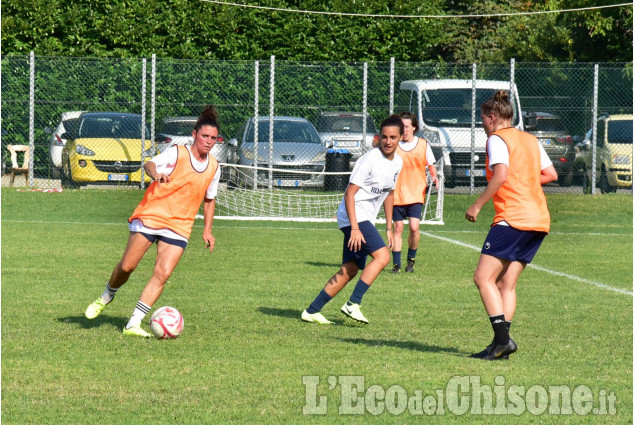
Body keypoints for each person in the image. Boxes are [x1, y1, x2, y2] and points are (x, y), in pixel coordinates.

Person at [84, 105, 222, 337]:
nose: (208, 141)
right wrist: (155, 174)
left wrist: (207, 230)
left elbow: (209, 199)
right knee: (128, 266)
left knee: (163, 273)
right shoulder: (177, 152)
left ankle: (133, 323)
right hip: (152, 215)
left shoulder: (214, 167)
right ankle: (107, 295)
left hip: (179, 225)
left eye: (213, 138)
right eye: (205, 136)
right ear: (195, 135)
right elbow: (150, 164)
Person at [465, 91, 557, 360]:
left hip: (513, 217)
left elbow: (502, 175)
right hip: (539, 219)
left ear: (492, 118)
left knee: (483, 278)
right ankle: (499, 346)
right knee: (507, 283)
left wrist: (477, 205)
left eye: (482, 119)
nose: (481, 124)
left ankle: (503, 341)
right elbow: (550, 174)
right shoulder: (530, 139)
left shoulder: (497, 138)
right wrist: (524, 180)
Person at [301, 115, 404, 325]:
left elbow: (389, 195)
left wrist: (389, 228)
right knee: (383, 257)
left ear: (401, 137)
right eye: (384, 137)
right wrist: (355, 228)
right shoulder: (369, 160)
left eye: (393, 137)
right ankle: (353, 303)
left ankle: (312, 310)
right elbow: (350, 194)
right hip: (353, 216)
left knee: (350, 269)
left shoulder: (398, 163)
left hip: (365, 219)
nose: (388, 141)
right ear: (379, 138)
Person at [390, 111, 439, 274]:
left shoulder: (423, 144)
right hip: (396, 194)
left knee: (414, 227)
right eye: (401, 127)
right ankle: (396, 265)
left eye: (406, 127)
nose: (403, 130)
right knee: (397, 228)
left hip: (416, 193)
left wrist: (434, 176)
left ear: (414, 128)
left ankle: (411, 260)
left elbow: (430, 164)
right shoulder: (394, 145)